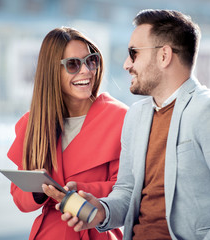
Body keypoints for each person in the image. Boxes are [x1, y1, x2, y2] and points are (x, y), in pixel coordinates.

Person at [57, 9, 210, 240]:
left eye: (133, 53)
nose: (126, 64)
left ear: (164, 55)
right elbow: (126, 192)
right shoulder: (135, 116)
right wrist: (102, 211)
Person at [7, 27, 127, 240]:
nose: (86, 71)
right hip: (49, 233)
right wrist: (40, 189)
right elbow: (19, 199)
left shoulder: (120, 118)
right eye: (73, 64)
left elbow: (126, 189)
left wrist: (75, 191)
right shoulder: (33, 124)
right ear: (52, 71)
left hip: (98, 232)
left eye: (91, 60)